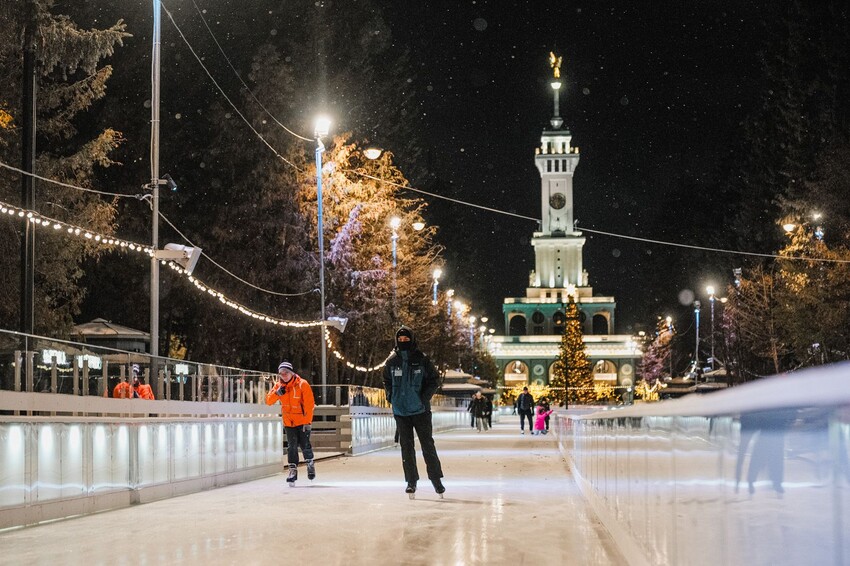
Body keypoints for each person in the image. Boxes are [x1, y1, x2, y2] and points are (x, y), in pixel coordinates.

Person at [383, 326, 445, 498]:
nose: (403, 342)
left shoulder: (421, 359)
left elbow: (434, 380)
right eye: (400, 340)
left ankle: (436, 480)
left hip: (420, 410)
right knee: (407, 447)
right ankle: (411, 481)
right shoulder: (392, 361)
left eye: (406, 339)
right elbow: (386, 379)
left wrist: (423, 398)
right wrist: (391, 396)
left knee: (427, 445)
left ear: (412, 339)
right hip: (401, 411)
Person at [265, 361, 316, 484]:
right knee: (291, 447)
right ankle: (292, 470)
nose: (284, 375)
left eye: (286, 373)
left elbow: (309, 405)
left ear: (291, 373)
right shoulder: (279, 386)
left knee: (305, 445)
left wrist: (308, 422)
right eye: (281, 374)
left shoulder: (302, 384)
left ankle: (310, 464)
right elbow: (268, 401)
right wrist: (277, 393)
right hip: (289, 422)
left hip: (302, 421)